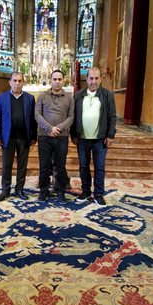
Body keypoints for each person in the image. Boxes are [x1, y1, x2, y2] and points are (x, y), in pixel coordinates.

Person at [70, 67, 116, 206]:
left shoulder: (107, 95)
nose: (94, 81)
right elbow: (73, 116)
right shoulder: (78, 96)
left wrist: (110, 135)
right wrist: (73, 134)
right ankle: (85, 191)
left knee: (99, 167)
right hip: (82, 139)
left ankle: (98, 194)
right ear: (87, 79)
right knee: (83, 166)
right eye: (91, 78)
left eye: (96, 78)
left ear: (100, 79)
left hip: (100, 139)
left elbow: (112, 116)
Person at [0, 71, 37, 202]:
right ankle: (5, 190)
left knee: (22, 165)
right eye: (15, 81)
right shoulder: (2, 98)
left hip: (24, 138)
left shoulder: (30, 98)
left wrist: (33, 136)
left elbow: (33, 120)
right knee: (6, 165)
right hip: (8, 137)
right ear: (10, 82)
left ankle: (19, 189)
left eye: (20, 81)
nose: (17, 84)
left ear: (23, 82)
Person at [35, 69, 74, 204]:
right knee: (44, 165)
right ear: (51, 80)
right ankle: (43, 190)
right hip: (44, 136)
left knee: (60, 166)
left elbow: (71, 116)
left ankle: (60, 191)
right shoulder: (42, 96)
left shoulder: (69, 97)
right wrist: (49, 128)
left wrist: (59, 128)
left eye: (59, 79)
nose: (57, 82)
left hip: (61, 137)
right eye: (54, 79)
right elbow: (37, 114)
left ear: (64, 81)